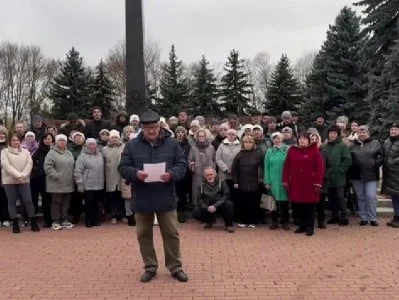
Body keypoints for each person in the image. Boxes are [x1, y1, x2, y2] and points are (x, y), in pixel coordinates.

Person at [118, 110, 188, 283]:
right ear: (142, 127)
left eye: (155, 127)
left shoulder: (171, 144)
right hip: (142, 196)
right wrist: (136, 173)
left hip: (165, 195)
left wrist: (171, 174)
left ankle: (175, 267)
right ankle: (150, 266)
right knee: (143, 234)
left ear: (160, 126)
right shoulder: (132, 145)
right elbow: (123, 167)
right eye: (148, 128)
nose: (152, 131)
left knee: (171, 233)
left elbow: (182, 164)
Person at [283, 132, 325, 236]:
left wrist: (318, 183)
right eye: (300, 139)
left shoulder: (314, 151)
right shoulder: (292, 150)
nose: (302, 140)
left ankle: (310, 227)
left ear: (309, 140)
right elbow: (287, 166)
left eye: (304, 139)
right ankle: (302, 225)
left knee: (309, 206)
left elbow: (320, 168)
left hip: (310, 183)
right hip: (296, 183)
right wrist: (285, 180)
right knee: (297, 206)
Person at [1, 132, 40, 233]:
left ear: (20, 141)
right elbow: (6, 165)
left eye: (17, 140)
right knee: (12, 202)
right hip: (9, 181)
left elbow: (29, 163)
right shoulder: (4, 152)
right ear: (10, 141)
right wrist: (18, 175)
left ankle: (33, 222)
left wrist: (23, 175)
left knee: (28, 201)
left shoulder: (25, 151)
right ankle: (15, 224)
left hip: (24, 180)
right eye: (13, 140)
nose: (15, 142)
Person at [348, 125, 383, 226]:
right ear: (357, 134)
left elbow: (380, 156)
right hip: (356, 175)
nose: (362, 134)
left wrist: (374, 164)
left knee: (371, 196)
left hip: (371, 174)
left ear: (368, 133)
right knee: (360, 197)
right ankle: (363, 217)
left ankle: (372, 218)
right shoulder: (352, 145)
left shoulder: (375, 143)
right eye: (360, 132)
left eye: (364, 132)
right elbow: (349, 158)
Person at [321, 125, 352, 226]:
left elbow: (348, 160)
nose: (332, 135)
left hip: (338, 176)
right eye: (331, 133)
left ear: (337, 134)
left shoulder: (342, 146)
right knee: (331, 197)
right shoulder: (324, 146)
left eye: (334, 133)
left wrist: (340, 170)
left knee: (340, 197)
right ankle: (335, 216)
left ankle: (344, 216)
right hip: (328, 176)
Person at [44, 134, 75, 230]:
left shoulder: (69, 153)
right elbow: (48, 167)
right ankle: (56, 221)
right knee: (56, 203)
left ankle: (64, 219)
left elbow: (72, 166)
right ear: (56, 142)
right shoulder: (51, 153)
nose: (62, 142)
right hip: (55, 183)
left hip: (68, 182)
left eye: (63, 140)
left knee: (66, 203)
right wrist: (56, 176)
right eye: (60, 140)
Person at [231, 135, 263, 228]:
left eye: (249, 142)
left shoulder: (257, 154)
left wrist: (261, 179)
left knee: (254, 202)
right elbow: (234, 169)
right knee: (243, 202)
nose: (247, 144)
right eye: (245, 142)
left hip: (254, 182)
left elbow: (261, 168)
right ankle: (243, 220)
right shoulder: (239, 155)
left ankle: (253, 221)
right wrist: (235, 181)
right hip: (242, 182)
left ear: (253, 144)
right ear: (243, 144)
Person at [192, 167, 234, 233]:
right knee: (196, 212)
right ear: (204, 176)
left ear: (215, 174)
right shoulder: (201, 185)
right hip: (207, 206)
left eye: (211, 174)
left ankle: (228, 225)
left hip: (219, 205)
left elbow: (226, 195)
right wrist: (207, 207)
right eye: (207, 175)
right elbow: (199, 200)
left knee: (229, 204)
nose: (209, 176)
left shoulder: (222, 182)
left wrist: (215, 206)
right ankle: (210, 220)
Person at [74, 138, 105, 228]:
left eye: (93, 144)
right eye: (90, 144)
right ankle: (88, 220)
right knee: (89, 203)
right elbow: (78, 171)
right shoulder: (82, 156)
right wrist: (79, 183)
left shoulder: (100, 155)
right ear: (86, 145)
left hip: (99, 184)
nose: (92, 146)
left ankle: (96, 220)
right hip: (88, 184)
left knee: (97, 203)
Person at [264, 132, 290, 230]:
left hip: (284, 180)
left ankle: (285, 222)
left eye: (278, 138)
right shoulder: (269, 151)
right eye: (274, 138)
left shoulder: (286, 150)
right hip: (272, 180)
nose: (276, 140)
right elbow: (266, 167)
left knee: (284, 203)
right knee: (272, 203)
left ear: (282, 139)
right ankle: (274, 222)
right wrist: (267, 181)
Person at [215, 129, 241, 222]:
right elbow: (218, 159)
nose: (231, 136)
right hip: (224, 175)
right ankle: (225, 216)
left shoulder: (240, 146)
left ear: (236, 135)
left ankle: (235, 216)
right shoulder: (221, 145)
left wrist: (234, 170)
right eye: (229, 134)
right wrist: (225, 169)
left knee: (235, 196)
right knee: (225, 196)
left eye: (233, 134)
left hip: (236, 176)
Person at [31, 133, 54, 227]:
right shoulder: (38, 151)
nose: (47, 141)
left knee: (54, 200)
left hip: (54, 178)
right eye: (45, 139)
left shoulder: (55, 150)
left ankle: (56, 218)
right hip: (42, 178)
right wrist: (39, 169)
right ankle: (47, 220)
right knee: (45, 200)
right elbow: (32, 162)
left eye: (49, 139)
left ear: (52, 140)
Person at [188, 129, 216, 206]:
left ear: (206, 137)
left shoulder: (211, 148)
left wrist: (213, 171)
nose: (201, 137)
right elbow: (189, 160)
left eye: (202, 136)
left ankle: (209, 209)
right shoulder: (193, 148)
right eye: (199, 136)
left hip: (209, 174)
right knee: (196, 192)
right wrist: (192, 165)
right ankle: (197, 209)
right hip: (197, 174)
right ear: (197, 137)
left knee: (208, 193)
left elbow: (214, 160)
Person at [103, 130, 125, 225]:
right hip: (110, 176)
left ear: (119, 138)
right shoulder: (104, 150)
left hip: (121, 176)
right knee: (112, 197)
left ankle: (122, 215)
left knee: (122, 196)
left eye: (116, 137)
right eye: (112, 137)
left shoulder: (124, 147)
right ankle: (113, 215)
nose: (114, 139)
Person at [382, 123, 399, 228]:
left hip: (397, 172)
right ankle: (396, 216)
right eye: (391, 129)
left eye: (395, 129)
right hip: (389, 173)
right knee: (394, 196)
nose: (393, 131)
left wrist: (393, 161)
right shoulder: (387, 141)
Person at [174, 126, 191, 223]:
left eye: (182, 132)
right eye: (178, 132)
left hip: (184, 173)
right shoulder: (171, 144)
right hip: (173, 171)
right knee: (173, 193)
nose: (180, 134)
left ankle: (181, 212)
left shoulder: (188, 145)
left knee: (182, 195)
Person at [0, 127, 10, 227]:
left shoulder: (9, 147)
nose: (1, 135)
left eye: (3, 134)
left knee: (6, 198)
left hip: (6, 176)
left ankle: (6, 218)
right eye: (0, 134)